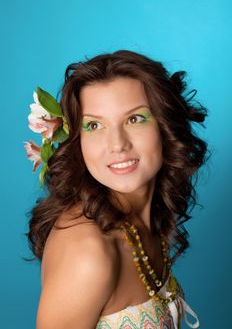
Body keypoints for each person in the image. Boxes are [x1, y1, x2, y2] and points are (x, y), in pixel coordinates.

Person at [25, 50, 210, 329]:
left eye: (134, 119)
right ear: (78, 140)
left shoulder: (144, 220)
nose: (117, 144)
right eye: (94, 125)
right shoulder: (88, 250)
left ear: (165, 125)